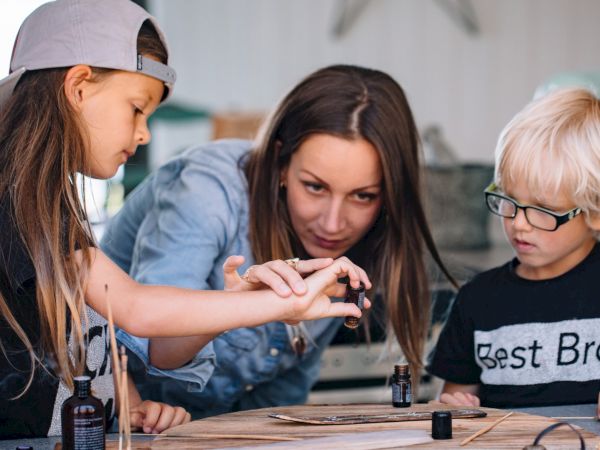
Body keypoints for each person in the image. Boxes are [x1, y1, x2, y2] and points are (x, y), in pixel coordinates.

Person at [0, 0, 368, 439]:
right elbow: (134, 308)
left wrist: (132, 407)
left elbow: (86, 343)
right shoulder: (13, 201)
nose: (144, 133)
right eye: (137, 108)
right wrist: (281, 303)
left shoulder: (50, 208)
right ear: (79, 87)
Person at [101, 64, 456, 418]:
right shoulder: (205, 192)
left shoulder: (360, 242)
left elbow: (278, 401)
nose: (333, 224)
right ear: (280, 162)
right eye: (315, 187)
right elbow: (157, 346)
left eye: (362, 196)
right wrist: (236, 308)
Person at [428, 87, 600, 408]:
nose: (519, 223)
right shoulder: (478, 301)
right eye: (509, 200)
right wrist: (453, 408)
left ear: (594, 212)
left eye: (542, 209)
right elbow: (451, 400)